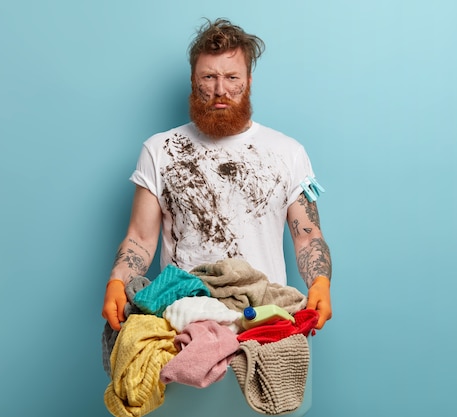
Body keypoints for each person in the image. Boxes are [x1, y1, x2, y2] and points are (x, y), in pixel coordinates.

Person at [102, 18, 332, 333]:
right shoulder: (159, 150)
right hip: (180, 322)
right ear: (194, 81)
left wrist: (319, 283)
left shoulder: (288, 152)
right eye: (208, 77)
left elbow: (307, 235)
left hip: (263, 319)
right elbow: (140, 238)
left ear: (249, 81)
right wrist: (118, 281)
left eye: (231, 77)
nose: (220, 90)